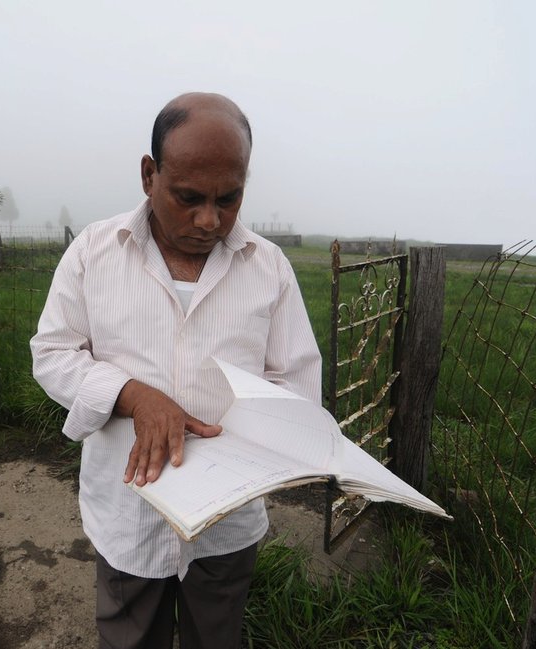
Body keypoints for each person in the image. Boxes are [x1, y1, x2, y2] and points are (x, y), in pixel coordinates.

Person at [30, 92, 322, 649]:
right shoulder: (95, 253)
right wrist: (133, 395)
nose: (209, 220)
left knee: (217, 637)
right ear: (149, 175)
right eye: (188, 197)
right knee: (130, 638)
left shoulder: (268, 269)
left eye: (228, 199)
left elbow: (299, 386)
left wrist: (260, 439)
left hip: (227, 525)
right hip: (128, 515)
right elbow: (53, 353)